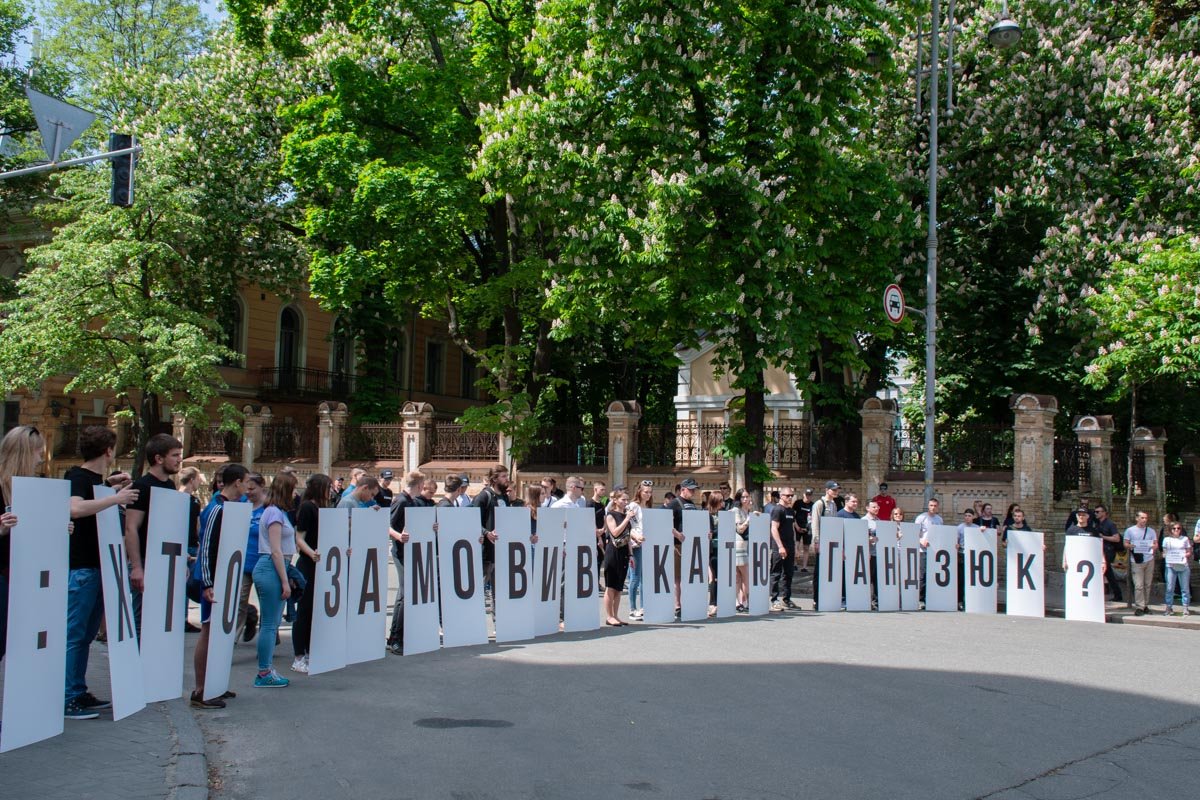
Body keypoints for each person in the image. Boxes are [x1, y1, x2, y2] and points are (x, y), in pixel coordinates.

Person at [65, 426, 138, 719]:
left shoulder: (93, 480)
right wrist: (115, 498)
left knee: (84, 636)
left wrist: (109, 486)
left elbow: (89, 497)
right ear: (108, 450)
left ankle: (78, 691)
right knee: (75, 634)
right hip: (83, 568)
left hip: (97, 567)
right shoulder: (76, 476)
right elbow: (75, 508)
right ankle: (68, 696)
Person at [0, 426, 59, 681]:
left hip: (22, 577)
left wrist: (59, 529)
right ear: (23, 453)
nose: (40, 459)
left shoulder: (31, 489)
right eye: (37, 453)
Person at [189, 462, 247, 709]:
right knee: (209, 630)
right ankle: (201, 690)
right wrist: (207, 582)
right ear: (237, 482)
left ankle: (216, 684)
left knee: (220, 631)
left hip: (225, 579)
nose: (247, 486)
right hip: (212, 581)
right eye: (245, 482)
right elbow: (207, 547)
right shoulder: (217, 509)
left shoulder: (231, 508)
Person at [123, 434, 183, 637]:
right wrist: (137, 567)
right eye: (175, 455)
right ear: (159, 458)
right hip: (146, 562)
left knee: (159, 620)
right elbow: (131, 528)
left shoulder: (170, 486)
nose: (179, 459)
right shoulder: (142, 486)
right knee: (140, 622)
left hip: (165, 562)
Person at [250, 472, 297, 688]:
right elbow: (276, 551)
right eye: (294, 488)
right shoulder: (275, 514)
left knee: (271, 623)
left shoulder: (274, 512)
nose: (296, 493)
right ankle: (264, 672)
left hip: (273, 568)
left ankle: (266, 670)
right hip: (272, 568)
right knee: (269, 624)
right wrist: (285, 581)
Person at [291, 474, 332, 674]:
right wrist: (311, 553)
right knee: (304, 611)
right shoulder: (308, 507)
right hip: (308, 564)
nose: (331, 490)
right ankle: (298, 656)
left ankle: (308, 651)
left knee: (313, 610)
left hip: (318, 563)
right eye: (328, 487)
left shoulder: (320, 508)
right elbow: (299, 538)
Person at [386, 470, 425, 654]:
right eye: (422, 485)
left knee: (406, 594)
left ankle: (400, 635)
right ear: (418, 485)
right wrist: (398, 536)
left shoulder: (413, 502)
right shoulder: (401, 501)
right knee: (403, 595)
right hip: (400, 553)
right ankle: (394, 638)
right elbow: (387, 525)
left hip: (410, 553)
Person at [667, 478, 699, 620]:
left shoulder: (691, 504)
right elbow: (665, 522)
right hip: (677, 545)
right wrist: (677, 534)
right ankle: (677, 605)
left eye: (694, 489)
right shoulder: (674, 504)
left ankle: (686, 602)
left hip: (691, 545)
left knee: (687, 576)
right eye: (690, 489)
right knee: (677, 578)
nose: (693, 491)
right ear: (682, 489)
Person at [178, 466, 203, 632]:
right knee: (183, 583)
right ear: (192, 479)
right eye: (198, 479)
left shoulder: (193, 501)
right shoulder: (187, 500)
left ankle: (182, 617)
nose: (199, 483)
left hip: (190, 544)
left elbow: (197, 525)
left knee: (184, 582)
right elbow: (197, 526)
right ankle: (181, 618)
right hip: (185, 545)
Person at [602, 486, 632, 626]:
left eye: (627, 499)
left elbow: (628, 536)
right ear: (615, 500)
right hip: (613, 552)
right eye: (623, 499)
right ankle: (609, 616)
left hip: (624, 552)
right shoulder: (611, 515)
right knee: (611, 586)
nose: (626, 502)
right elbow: (615, 532)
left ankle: (616, 615)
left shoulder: (626, 515)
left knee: (619, 587)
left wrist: (631, 554)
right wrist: (626, 519)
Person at [809, 481, 841, 609]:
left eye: (837, 490)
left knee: (829, 571)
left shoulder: (834, 504)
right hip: (822, 542)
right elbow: (815, 524)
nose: (836, 492)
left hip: (831, 542)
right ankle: (816, 599)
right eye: (834, 490)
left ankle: (827, 597)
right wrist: (816, 542)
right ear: (827, 490)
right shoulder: (819, 504)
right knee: (819, 571)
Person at [626, 481, 653, 620]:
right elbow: (627, 526)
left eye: (650, 492)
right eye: (645, 492)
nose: (648, 494)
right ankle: (632, 609)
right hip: (635, 545)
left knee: (644, 578)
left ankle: (643, 607)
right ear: (639, 492)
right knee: (635, 578)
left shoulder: (647, 506)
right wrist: (635, 537)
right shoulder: (633, 506)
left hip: (646, 545)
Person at [1123, 511, 1157, 616]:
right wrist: (1131, 546)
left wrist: (1153, 547)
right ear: (1137, 518)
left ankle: (1145, 605)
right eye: (1142, 518)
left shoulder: (1151, 531)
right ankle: (1139, 606)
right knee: (1138, 585)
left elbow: (1155, 544)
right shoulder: (1130, 530)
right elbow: (1125, 543)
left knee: (1147, 584)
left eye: (1146, 518)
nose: (1144, 520)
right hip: (1137, 560)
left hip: (1149, 559)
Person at [769, 487, 798, 611]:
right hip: (779, 547)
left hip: (790, 546)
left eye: (792, 495)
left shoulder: (791, 511)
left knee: (789, 573)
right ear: (781, 496)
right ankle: (774, 599)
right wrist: (780, 546)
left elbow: (792, 529)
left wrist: (795, 546)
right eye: (787, 495)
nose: (790, 497)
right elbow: (774, 528)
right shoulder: (777, 510)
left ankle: (787, 599)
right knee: (776, 573)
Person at [915, 498, 944, 608]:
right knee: (922, 575)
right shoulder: (921, 518)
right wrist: (921, 541)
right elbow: (914, 533)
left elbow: (940, 534)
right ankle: (920, 600)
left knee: (933, 576)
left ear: (938, 507)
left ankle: (930, 599)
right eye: (931, 505)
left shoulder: (939, 520)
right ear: (928, 506)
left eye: (935, 505)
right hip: (923, 551)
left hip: (935, 552)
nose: (933, 507)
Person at [1092, 504, 1123, 602]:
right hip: (1100, 551)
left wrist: (1103, 537)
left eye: (1098, 512)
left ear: (1104, 513)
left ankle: (1116, 593)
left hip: (1108, 551)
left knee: (1106, 572)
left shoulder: (1110, 524)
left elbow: (1116, 538)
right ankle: (1114, 593)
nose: (1095, 513)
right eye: (1095, 512)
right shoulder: (1097, 524)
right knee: (1107, 573)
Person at [1160, 521, 1191, 616]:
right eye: (1174, 528)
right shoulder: (1166, 540)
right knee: (1170, 588)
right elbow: (1164, 553)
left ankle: (1185, 607)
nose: (1176, 530)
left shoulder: (1185, 539)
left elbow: (1189, 552)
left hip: (1182, 565)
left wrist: (1184, 555)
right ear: (1170, 530)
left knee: (1185, 588)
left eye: (1178, 528)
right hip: (1171, 566)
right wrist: (1166, 555)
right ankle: (1169, 607)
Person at [733, 489, 753, 612]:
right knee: (744, 576)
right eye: (743, 497)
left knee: (740, 576)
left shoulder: (748, 511)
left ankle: (740, 602)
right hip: (739, 545)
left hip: (747, 545)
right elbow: (740, 529)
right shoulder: (737, 511)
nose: (745, 499)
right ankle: (743, 601)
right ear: (739, 499)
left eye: (747, 496)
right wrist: (749, 520)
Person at [706, 490, 723, 616]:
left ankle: (719, 603)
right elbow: (710, 533)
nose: (722, 503)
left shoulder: (723, 514)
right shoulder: (707, 514)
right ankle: (713, 604)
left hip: (723, 547)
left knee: (720, 577)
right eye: (720, 500)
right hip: (712, 548)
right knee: (714, 577)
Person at [795, 488, 814, 574]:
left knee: (806, 547)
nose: (808, 497)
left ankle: (804, 567)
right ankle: (794, 564)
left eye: (809, 495)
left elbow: (813, 519)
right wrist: (797, 526)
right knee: (796, 545)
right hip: (797, 527)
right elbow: (793, 516)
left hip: (807, 528)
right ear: (803, 494)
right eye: (806, 495)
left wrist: (808, 528)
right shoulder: (798, 503)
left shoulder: (813, 505)